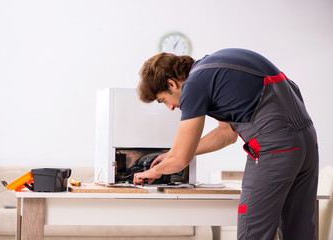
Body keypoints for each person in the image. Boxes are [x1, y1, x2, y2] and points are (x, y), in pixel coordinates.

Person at [133, 48, 319, 240]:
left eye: (163, 100)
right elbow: (226, 134)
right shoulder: (216, 66)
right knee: (299, 231)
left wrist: (156, 170)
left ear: (171, 83)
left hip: (275, 148)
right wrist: (171, 155)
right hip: (306, 144)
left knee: (253, 233)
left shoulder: (194, 84)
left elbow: (181, 158)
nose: (171, 107)